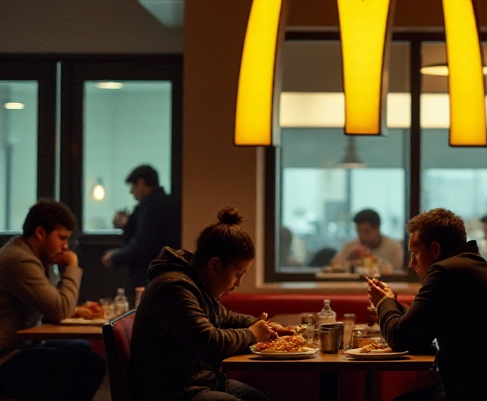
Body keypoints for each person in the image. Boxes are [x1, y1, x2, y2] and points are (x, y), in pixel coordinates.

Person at [367, 208, 487, 401]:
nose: (411, 264)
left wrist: (384, 303)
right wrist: (392, 304)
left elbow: (400, 337)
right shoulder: (466, 265)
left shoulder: (445, 272)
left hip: (484, 393)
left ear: (435, 249)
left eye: (415, 253)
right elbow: (421, 327)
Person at [130, 207, 281, 401]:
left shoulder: (196, 284)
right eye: (237, 275)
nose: (238, 284)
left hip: (201, 383)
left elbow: (225, 318)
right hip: (171, 392)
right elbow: (210, 343)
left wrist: (263, 326)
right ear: (214, 265)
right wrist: (253, 334)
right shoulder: (173, 288)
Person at [0, 199, 106, 401]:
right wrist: (72, 266)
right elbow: (59, 309)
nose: (65, 247)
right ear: (40, 233)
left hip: (22, 347)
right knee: (88, 365)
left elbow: (53, 303)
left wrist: (76, 310)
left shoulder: (34, 256)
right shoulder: (20, 259)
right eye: (62, 238)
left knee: (82, 350)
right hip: (5, 358)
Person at [102, 164, 182, 291]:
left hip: (146, 275)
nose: (131, 192)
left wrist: (115, 257)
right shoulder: (164, 203)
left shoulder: (151, 207)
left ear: (140, 183)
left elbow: (142, 244)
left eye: (132, 187)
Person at [329, 208, 404, 274]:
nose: (362, 236)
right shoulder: (352, 247)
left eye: (366, 232)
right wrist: (349, 260)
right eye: (359, 232)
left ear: (377, 229)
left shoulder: (393, 247)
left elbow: (400, 271)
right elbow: (333, 267)